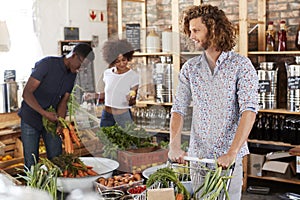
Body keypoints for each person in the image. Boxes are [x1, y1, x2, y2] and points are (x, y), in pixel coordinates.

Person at [167, 4, 259, 199]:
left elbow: (249, 112)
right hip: (197, 157)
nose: (191, 36)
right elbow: (178, 110)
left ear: (214, 30)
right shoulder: (190, 68)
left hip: (227, 159)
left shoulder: (241, 65)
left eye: (196, 30)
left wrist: (232, 152)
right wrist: (174, 145)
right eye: (190, 31)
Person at [18, 43, 95, 169]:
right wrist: (44, 113)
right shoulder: (47, 65)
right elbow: (27, 93)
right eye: (81, 65)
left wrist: (60, 122)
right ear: (74, 55)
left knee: (57, 158)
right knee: (31, 160)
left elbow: (64, 101)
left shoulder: (72, 75)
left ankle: (57, 187)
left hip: (51, 119)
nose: (80, 69)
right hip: (30, 118)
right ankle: (33, 188)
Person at [84, 39, 139, 128]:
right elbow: (109, 94)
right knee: (103, 141)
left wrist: (131, 99)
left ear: (128, 58)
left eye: (124, 60)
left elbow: (133, 100)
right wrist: (93, 95)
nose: (122, 64)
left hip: (123, 117)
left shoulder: (133, 76)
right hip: (107, 116)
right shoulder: (107, 73)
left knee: (126, 141)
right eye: (117, 61)